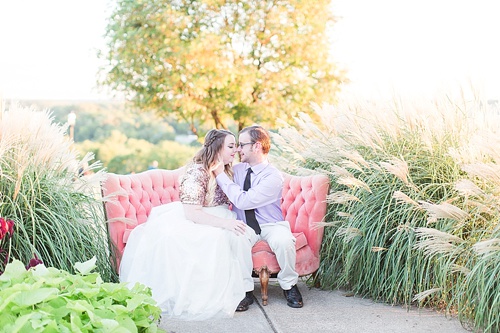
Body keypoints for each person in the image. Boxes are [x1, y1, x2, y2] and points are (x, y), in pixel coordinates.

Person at [119, 129, 247, 320]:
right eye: (231, 146)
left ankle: (242, 290)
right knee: (214, 238)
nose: (236, 150)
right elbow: (192, 213)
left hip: (217, 214)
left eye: (236, 146)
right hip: (194, 216)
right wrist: (225, 223)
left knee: (233, 236)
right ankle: (198, 296)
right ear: (217, 148)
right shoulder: (197, 172)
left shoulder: (227, 168)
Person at [214, 125, 304, 311]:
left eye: (242, 145)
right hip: (246, 225)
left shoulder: (273, 177)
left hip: (271, 224)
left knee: (284, 241)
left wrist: (221, 176)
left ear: (256, 146)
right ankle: (245, 291)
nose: (238, 149)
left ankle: (289, 285)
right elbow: (212, 159)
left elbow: (244, 201)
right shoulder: (237, 170)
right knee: (236, 237)